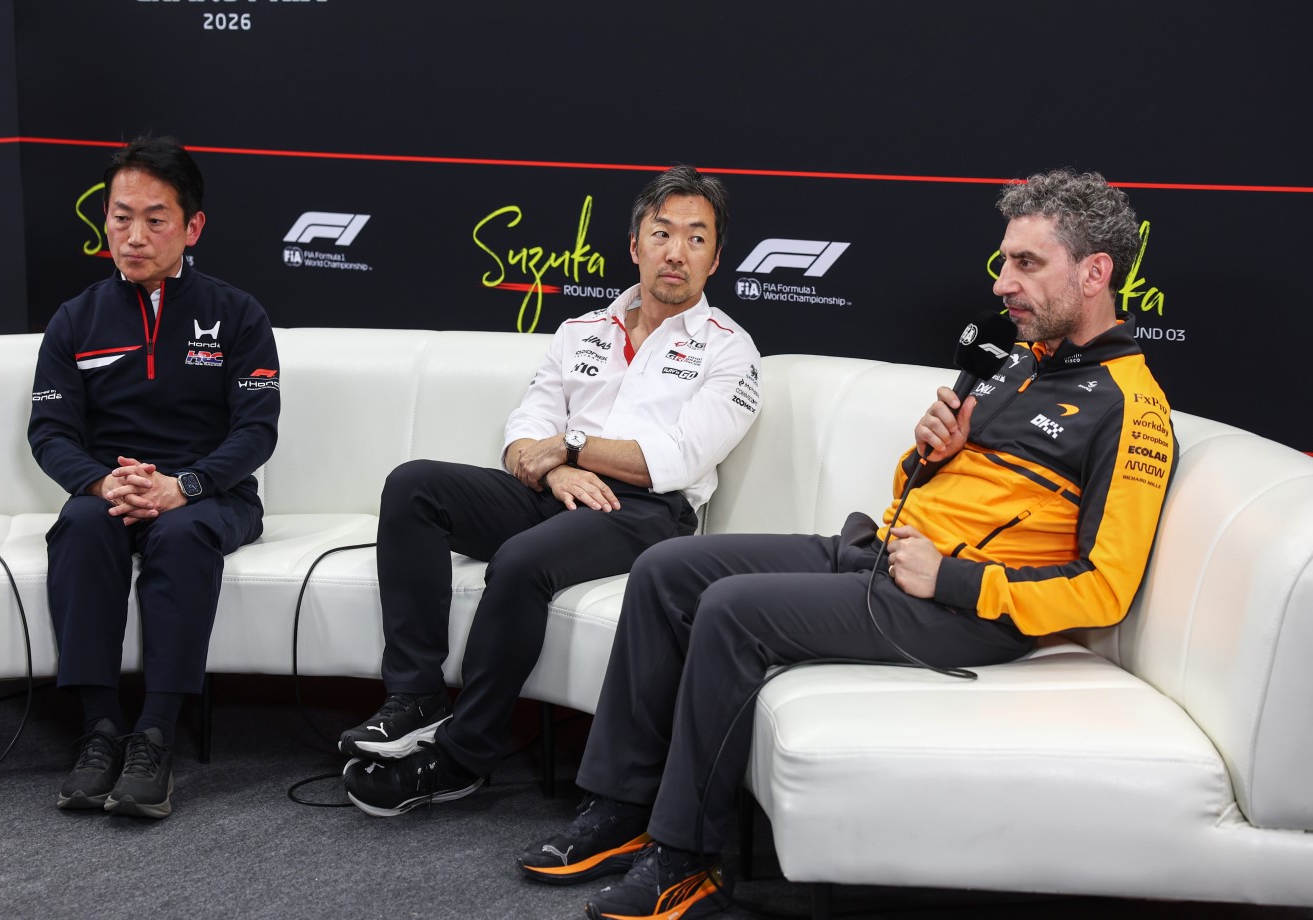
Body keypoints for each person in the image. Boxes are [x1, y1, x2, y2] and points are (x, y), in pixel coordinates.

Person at [519, 169, 1177, 920]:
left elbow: (1105, 588)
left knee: (732, 611)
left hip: (965, 611)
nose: (1002, 283)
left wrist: (955, 580)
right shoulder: (1018, 364)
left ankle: (684, 858)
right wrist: (932, 454)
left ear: (1095, 273)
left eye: (1026, 264)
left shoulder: (1134, 407)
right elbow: (943, 494)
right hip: (883, 553)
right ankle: (619, 808)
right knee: (669, 567)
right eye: (1003, 261)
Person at [340, 166, 762, 818]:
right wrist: (552, 467)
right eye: (662, 233)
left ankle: (461, 756)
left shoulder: (730, 351)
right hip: (553, 489)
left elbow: (675, 460)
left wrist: (570, 449)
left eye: (696, 238)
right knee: (414, 486)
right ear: (634, 245)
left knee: (521, 562)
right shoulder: (581, 330)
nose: (676, 252)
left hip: (648, 512)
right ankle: (414, 695)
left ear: (715, 258)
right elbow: (526, 431)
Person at [28, 136, 279, 819]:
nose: (133, 236)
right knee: (79, 526)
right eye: (120, 216)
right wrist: (102, 484)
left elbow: (256, 431)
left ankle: (156, 737)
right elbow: (49, 432)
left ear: (191, 226)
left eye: (155, 219)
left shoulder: (239, 314)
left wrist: (185, 485)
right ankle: (100, 729)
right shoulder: (75, 319)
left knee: (183, 533)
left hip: (210, 496)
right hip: (111, 490)